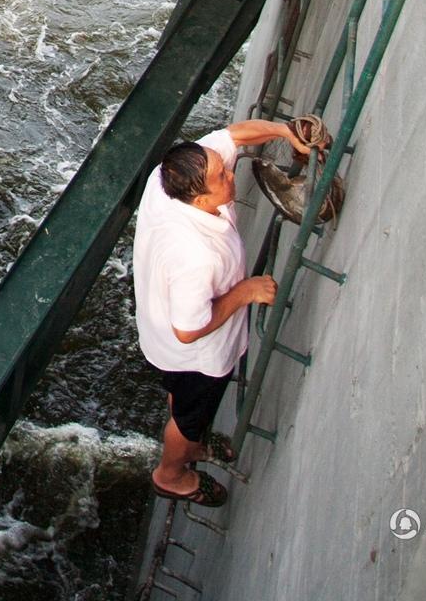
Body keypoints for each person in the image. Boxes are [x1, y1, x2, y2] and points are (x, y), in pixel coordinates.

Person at [133, 119, 312, 506]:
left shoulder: (169, 180)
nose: (231, 173)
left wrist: (284, 132)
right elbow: (188, 329)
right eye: (222, 176)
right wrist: (245, 292)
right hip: (193, 357)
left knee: (181, 403)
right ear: (200, 199)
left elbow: (232, 136)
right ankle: (172, 474)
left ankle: (192, 445)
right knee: (188, 415)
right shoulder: (195, 257)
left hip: (156, 326)